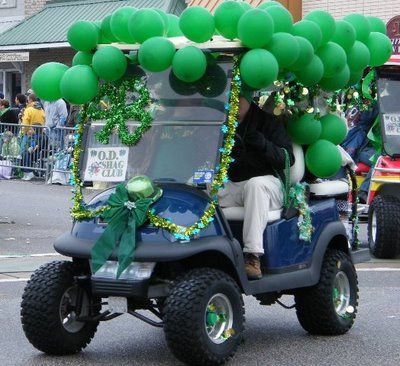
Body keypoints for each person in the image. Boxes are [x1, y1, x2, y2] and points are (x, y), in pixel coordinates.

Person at [218, 91, 295, 280]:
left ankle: (252, 256)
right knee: (201, 189)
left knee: (255, 185)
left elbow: (287, 158)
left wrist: (264, 145)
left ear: (249, 98)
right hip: (234, 184)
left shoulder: (268, 122)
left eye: (239, 98)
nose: (235, 103)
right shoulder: (222, 124)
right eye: (231, 98)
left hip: (269, 184)